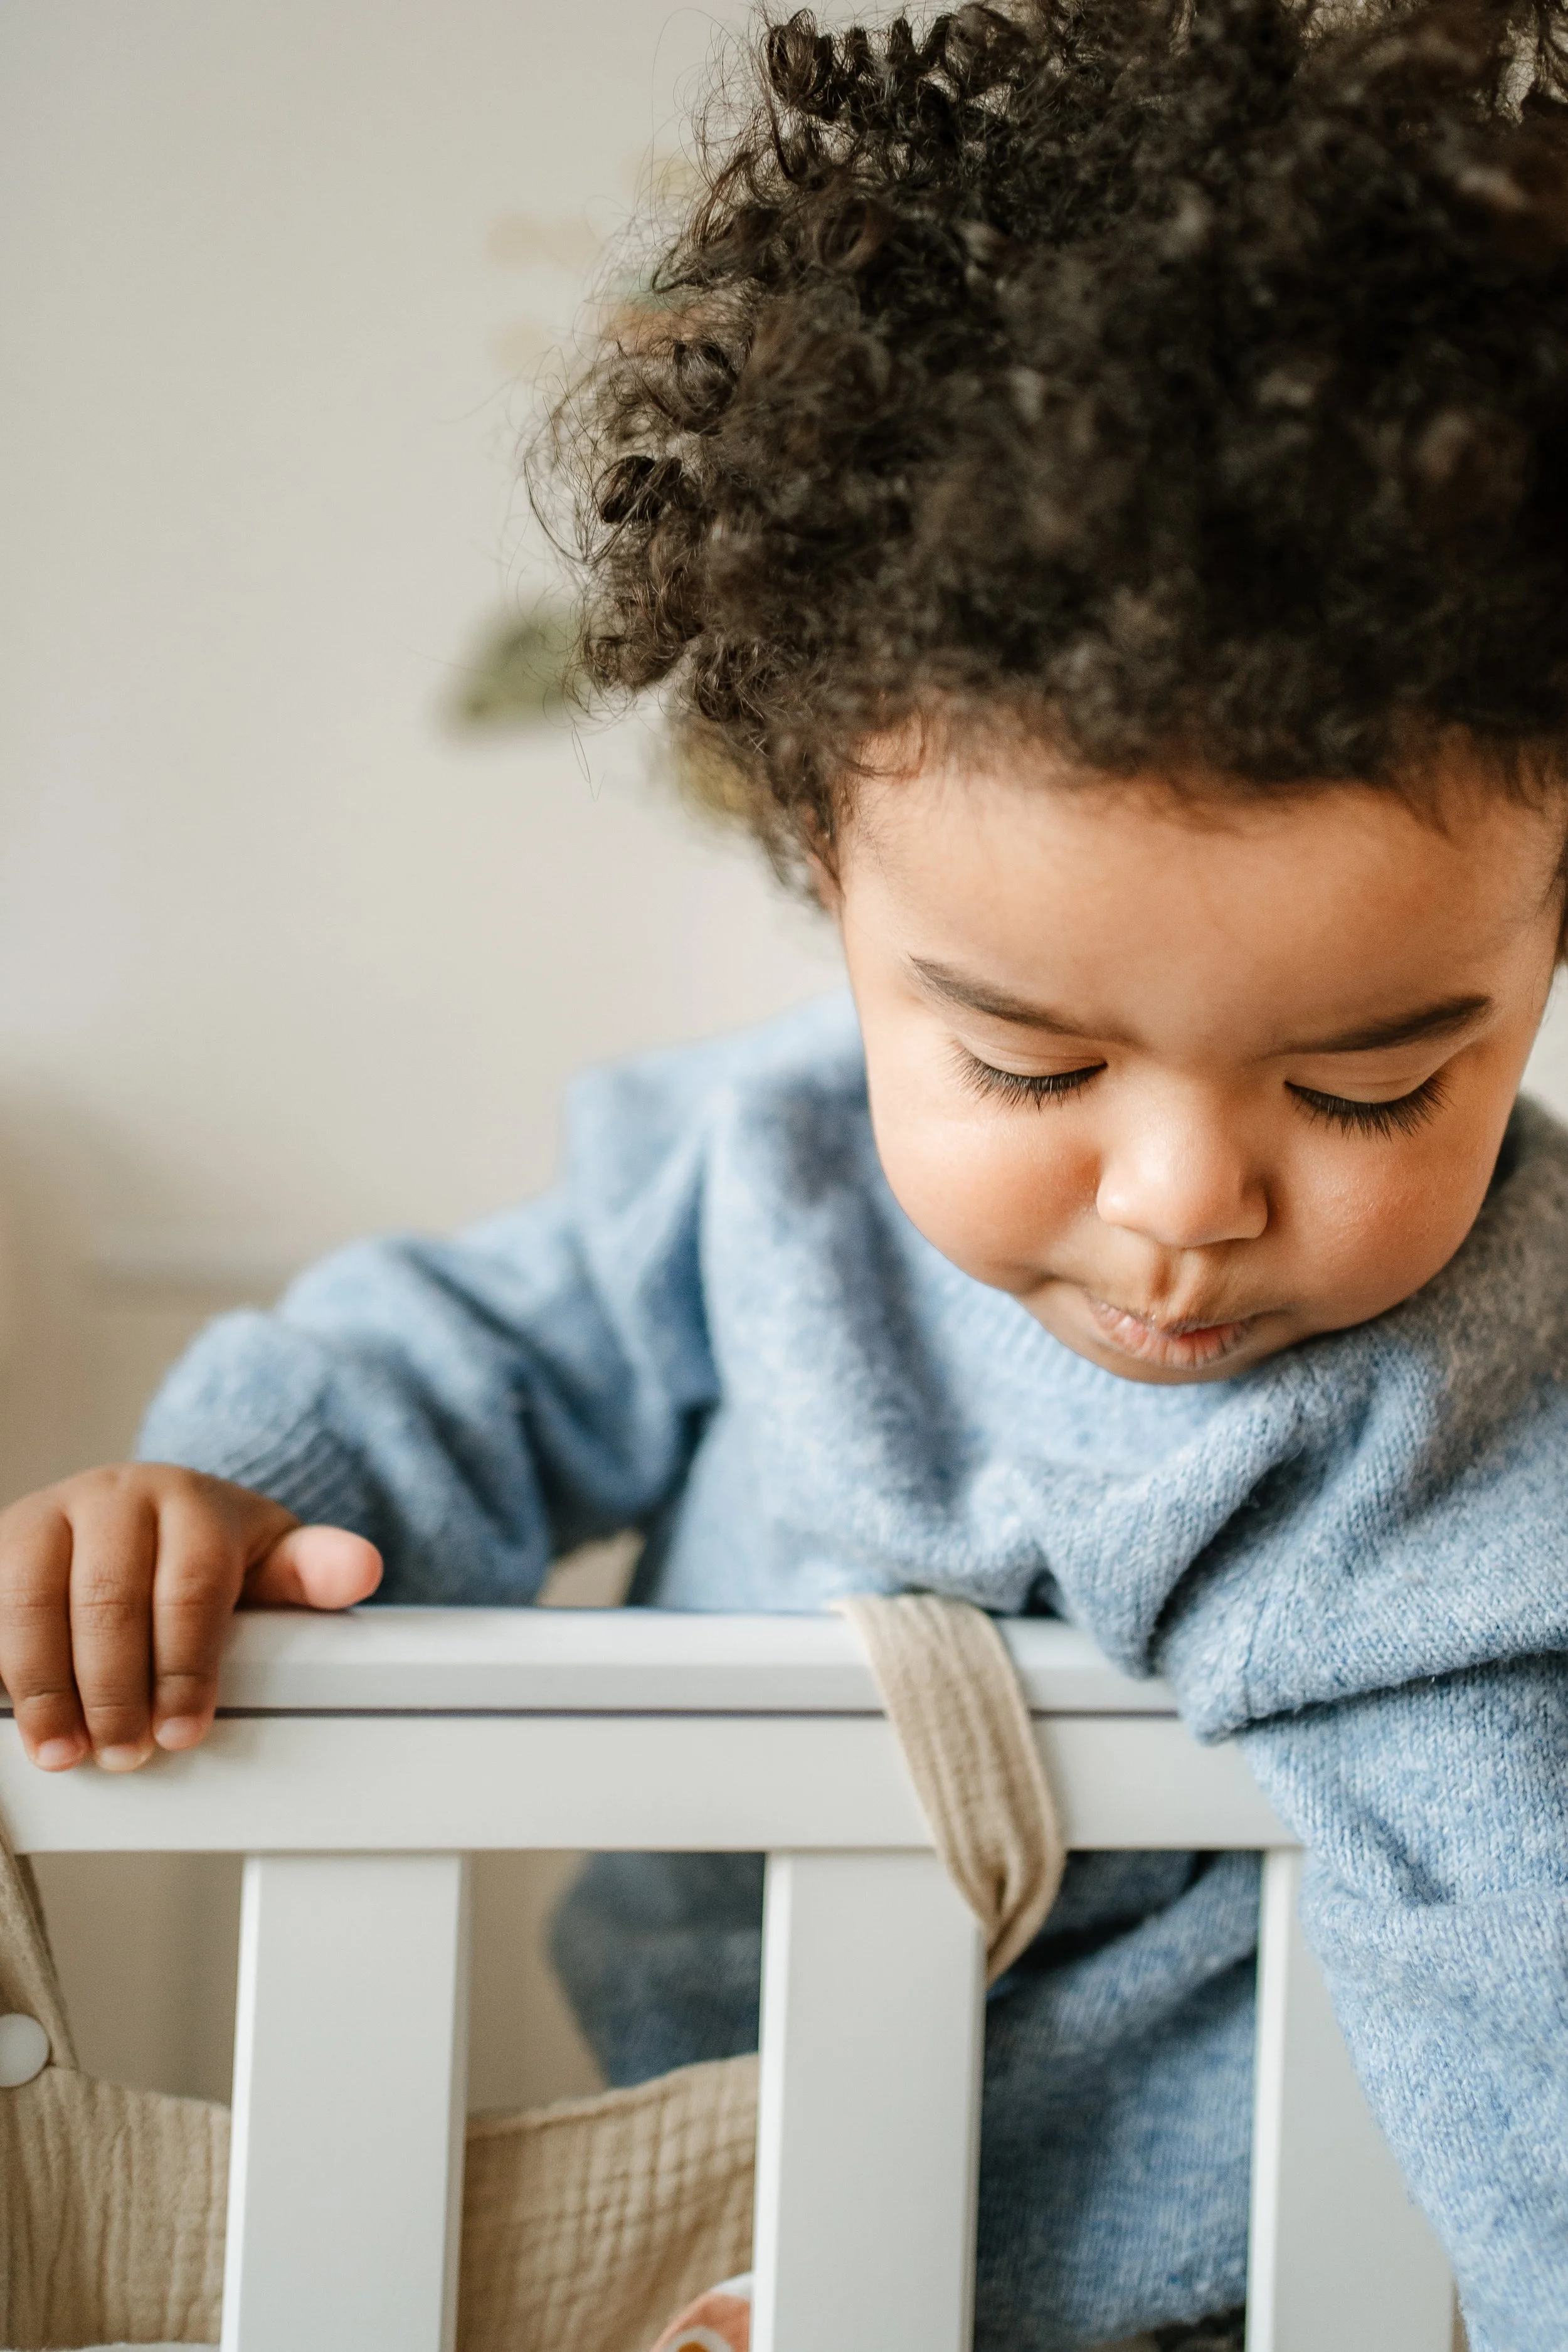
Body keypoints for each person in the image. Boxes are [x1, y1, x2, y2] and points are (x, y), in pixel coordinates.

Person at [3, 0, 1567, 2342]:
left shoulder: (1470, 1434)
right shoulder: (749, 1185)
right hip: (696, 2200)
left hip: (1224, 2274)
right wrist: (232, 1491)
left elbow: (1517, 1966)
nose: (1183, 1198)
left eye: (1364, 1091)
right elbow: (467, 1356)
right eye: (1028, 1060)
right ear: (830, 882)